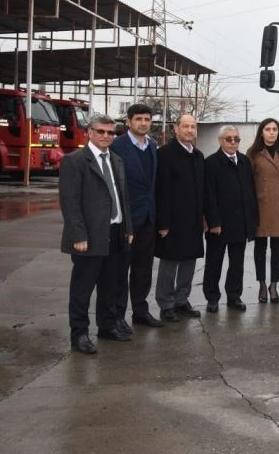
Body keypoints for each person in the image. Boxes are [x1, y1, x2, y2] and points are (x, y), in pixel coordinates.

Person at [59, 114, 133, 354]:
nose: (105, 136)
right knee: (82, 288)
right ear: (88, 133)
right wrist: (78, 235)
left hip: (115, 231)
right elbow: (69, 202)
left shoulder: (117, 160)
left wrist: (128, 227)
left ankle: (107, 326)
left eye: (110, 133)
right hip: (89, 236)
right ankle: (79, 334)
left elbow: (123, 198)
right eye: (100, 131)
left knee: (110, 285)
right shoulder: (75, 161)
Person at [109, 103, 163, 330]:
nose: (143, 123)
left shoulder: (151, 146)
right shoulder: (117, 146)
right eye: (138, 119)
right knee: (120, 271)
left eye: (147, 119)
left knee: (143, 269)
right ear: (129, 122)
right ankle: (117, 316)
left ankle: (140, 311)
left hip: (148, 219)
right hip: (126, 221)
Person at [155, 114, 205, 323]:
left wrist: (204, 217)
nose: (189, 130)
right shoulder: (165, 154)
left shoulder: (198, 156)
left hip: (193, 220)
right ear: (176, 129)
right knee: (170, 263)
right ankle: (166, 303)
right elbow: (161, 190)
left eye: (193, 127)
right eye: (185, 126)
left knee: (188, 262)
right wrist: (163, 222)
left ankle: (181, 299)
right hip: (173, 221)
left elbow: (202, 189)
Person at [203, 126, 259, 312]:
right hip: (219, 225)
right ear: (221, 141)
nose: (233, 142)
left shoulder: (245, 161)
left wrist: (251, 221)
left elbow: (250, 192)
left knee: (237, 264)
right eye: (229, 139)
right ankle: (212, 298)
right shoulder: (211, 163)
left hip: (240, 223)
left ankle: (234, 296)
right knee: (214, 263)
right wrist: (214, 222)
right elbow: (208, 195)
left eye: (236, 139)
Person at [247, 118, 279, 304]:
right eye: (267, 129)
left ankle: (273, 285)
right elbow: (248, 183)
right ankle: (261, 283)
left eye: (274, 129)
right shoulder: (252, 153)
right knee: (260, 248)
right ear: (262, 132)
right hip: (260, 205)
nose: (271, 132)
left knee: (277, 248)